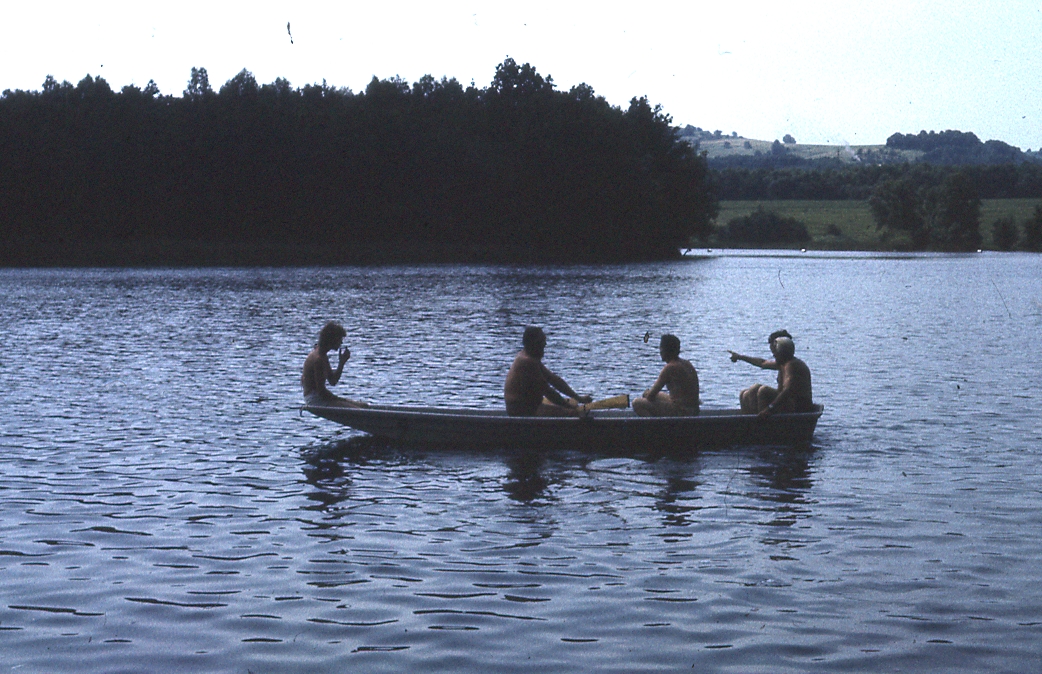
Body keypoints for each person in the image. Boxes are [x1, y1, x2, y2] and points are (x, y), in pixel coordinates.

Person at [504, 326, 593, 417]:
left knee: (573, 403)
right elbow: (548, 392)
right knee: (574, 413)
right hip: (522, 411)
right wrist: (569, 408)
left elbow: (554, 380)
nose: (545, 344)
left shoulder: (530, 358)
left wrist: (578, 398)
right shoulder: (527, 361)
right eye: (542, 341)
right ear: (533, 343)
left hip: (531, 406)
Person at [729, 331, 812, 416]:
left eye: (776, 354)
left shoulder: (792, 365)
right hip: (787, 403)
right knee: (746, 393)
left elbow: (787, 391)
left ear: (783, 352)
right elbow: (762, 363)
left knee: (763, 390)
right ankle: (749, 421)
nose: (774, 356)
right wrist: (740, 357)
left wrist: (769, 409)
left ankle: (763, 424)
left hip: (798, 408)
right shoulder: (782, 363)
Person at [301, 321, 367, 408]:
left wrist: (341, 363)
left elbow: (332, 381)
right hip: (315, 400)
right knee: (358, 410)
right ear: (332, 339)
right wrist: (341, 400)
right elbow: (321, 392)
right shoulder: (318, 359)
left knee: (364, 406)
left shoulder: (322, 355)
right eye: (340, 339)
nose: (341, 343)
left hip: (319, 397)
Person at [632, 334, 700, 417]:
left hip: (682, 412)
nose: (660, 351)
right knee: (649, 394)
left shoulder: (670, 367)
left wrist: (647, 394)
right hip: (694, 410)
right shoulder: (687, 364)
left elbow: (651, 396)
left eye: (661, 348)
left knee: (637, 403)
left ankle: (656, 428)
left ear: (666, 350)